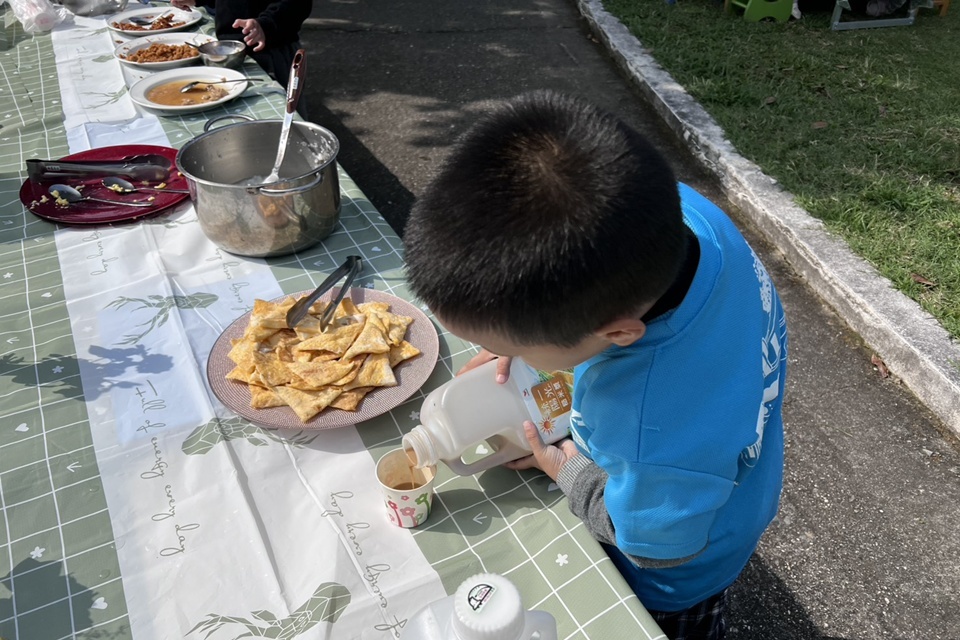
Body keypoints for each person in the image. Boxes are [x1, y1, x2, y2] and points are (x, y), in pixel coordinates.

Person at [402, 90, 788, 640]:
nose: (507, 358)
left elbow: (657, 547)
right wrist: (517, 333)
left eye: (517, 347)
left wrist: (568, 472)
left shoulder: (646, 426)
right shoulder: (677, 215)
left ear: (617, 334)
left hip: (680, 571)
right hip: (729, 463)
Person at [171, 0, 311, 91]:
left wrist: (266, 24)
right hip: (225, 50)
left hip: (270, 51)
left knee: (283, 116)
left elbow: (298, 4)